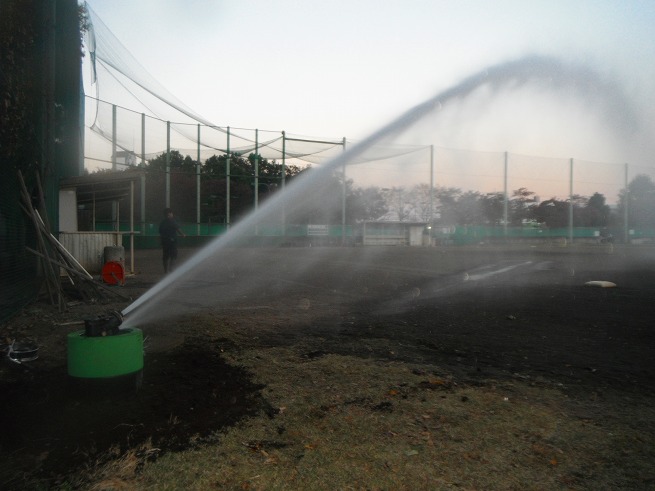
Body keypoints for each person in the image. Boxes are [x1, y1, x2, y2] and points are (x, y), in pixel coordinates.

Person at [159, 208, 185, 273]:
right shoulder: (172, 221)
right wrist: (183, 235)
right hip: (172, 241)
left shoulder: (162, 222)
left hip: (165, 241)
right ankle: (171, 268)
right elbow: (178, 229)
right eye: (171, 213)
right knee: (173, 255)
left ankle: (165, 270)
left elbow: (160, 232)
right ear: (169, 214)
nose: (172, 214)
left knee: (165, 256)